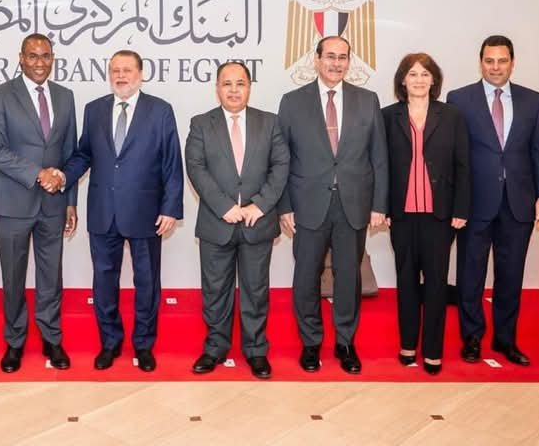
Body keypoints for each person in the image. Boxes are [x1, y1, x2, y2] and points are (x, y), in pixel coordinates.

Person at [62, 50, 184, 372]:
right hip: (103, 211)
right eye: (115, 70)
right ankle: (110, 342)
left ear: (140, 74)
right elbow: (83, 155)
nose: (121, 76)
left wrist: (171, 208)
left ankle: (143, 345)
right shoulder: (94, 110)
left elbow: (172, 163)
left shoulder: (160, 110)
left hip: (147, 212)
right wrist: (62, 176)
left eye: (127, 70)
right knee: (104, 282)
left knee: (147, 282)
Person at [277, 35, 388, 375]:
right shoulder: (292, 102)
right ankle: (311, 343)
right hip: (307, 204)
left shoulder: (367, 100)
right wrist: (284, 206)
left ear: (349, 62)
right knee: (306, 276)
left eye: (342, 57)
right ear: (316, 59)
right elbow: (282, 159)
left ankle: (345, 342)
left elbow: (379, 157)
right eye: (330, 56)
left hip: (353, 204)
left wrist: (379, 204)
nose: (336, 63)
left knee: (348, 277)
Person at [447, 35, 539, 367]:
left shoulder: (532, 100)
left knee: (511, 275)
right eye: (489, 61)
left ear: (512, 63)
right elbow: (455, 156)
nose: (495, 67)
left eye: (502, 60)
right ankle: (472, 337)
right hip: (475, 203)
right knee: (470, 275)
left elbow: (538, 151)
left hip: (518, 202)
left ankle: (506, 339)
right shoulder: (459, 99)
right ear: (481, 62)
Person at [186, 61, 288, 379]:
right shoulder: (201, 123)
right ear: (217, 88)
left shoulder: (269, 122)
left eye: (240, 83)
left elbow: (281, 166)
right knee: (215, 290)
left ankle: (256, 350)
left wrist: (260, 205)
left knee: (256, 290)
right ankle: (215, 347)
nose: (233, 90)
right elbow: (196, 167)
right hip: (218, 222)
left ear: (249, 87)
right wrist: (223, 206)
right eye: (227, 84)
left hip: (258, 221)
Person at [0, 34, 78, 372]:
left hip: (54, 203)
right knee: (13, 277)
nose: (40, 62)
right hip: (12, 203)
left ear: (53, 59)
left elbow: (70, 153)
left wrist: (70, 200)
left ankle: (52, 338)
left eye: (46, 56)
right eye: (33, 56)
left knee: (52, 275)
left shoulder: (65, 96)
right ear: (21, 58)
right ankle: (14, 341)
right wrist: (38, 174)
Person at [382, 53, 470, 375]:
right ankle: (407, 344)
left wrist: (461, 208)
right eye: (412, 74)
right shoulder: (387, 116)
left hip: (440, 215)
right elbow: (380, 166)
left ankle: (433, 350)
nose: (419, 79)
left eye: (425, 74)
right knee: (406, 282)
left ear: (434, 80)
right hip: (402, 215)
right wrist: (382, 206)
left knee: (435, 284)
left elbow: (463, 165)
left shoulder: (452, 116)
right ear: (402, 80)